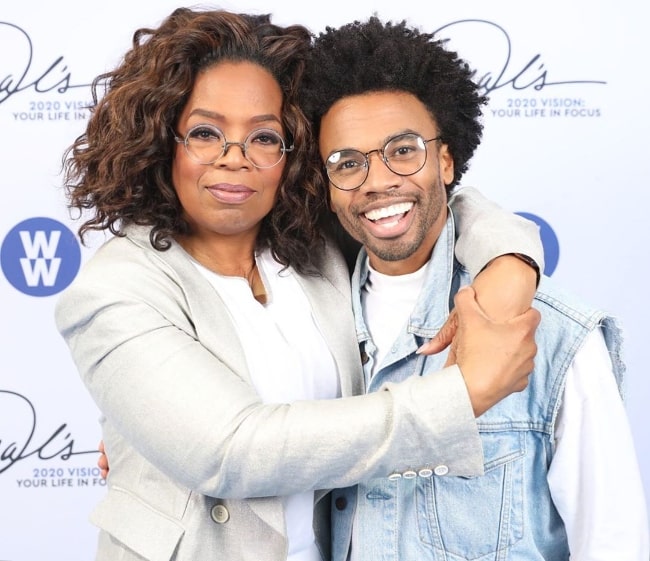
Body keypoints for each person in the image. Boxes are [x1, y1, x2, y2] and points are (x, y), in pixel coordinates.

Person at [55, 8, 544, 561]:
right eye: (205, 133)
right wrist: (462, 396)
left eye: (264, 137)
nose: (233, 159)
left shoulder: (313, 249)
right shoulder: (113, 288)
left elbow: (438, 202)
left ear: (292, 152)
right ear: (159, 141)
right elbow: (231, 451)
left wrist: (508, 267)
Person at [299, 16, 650, 561]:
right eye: (347, 163)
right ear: (327, 184)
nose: (377, 181)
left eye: (403, 150)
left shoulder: (551, 334)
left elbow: (613, 544)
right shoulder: (306, 327)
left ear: (446, 160)